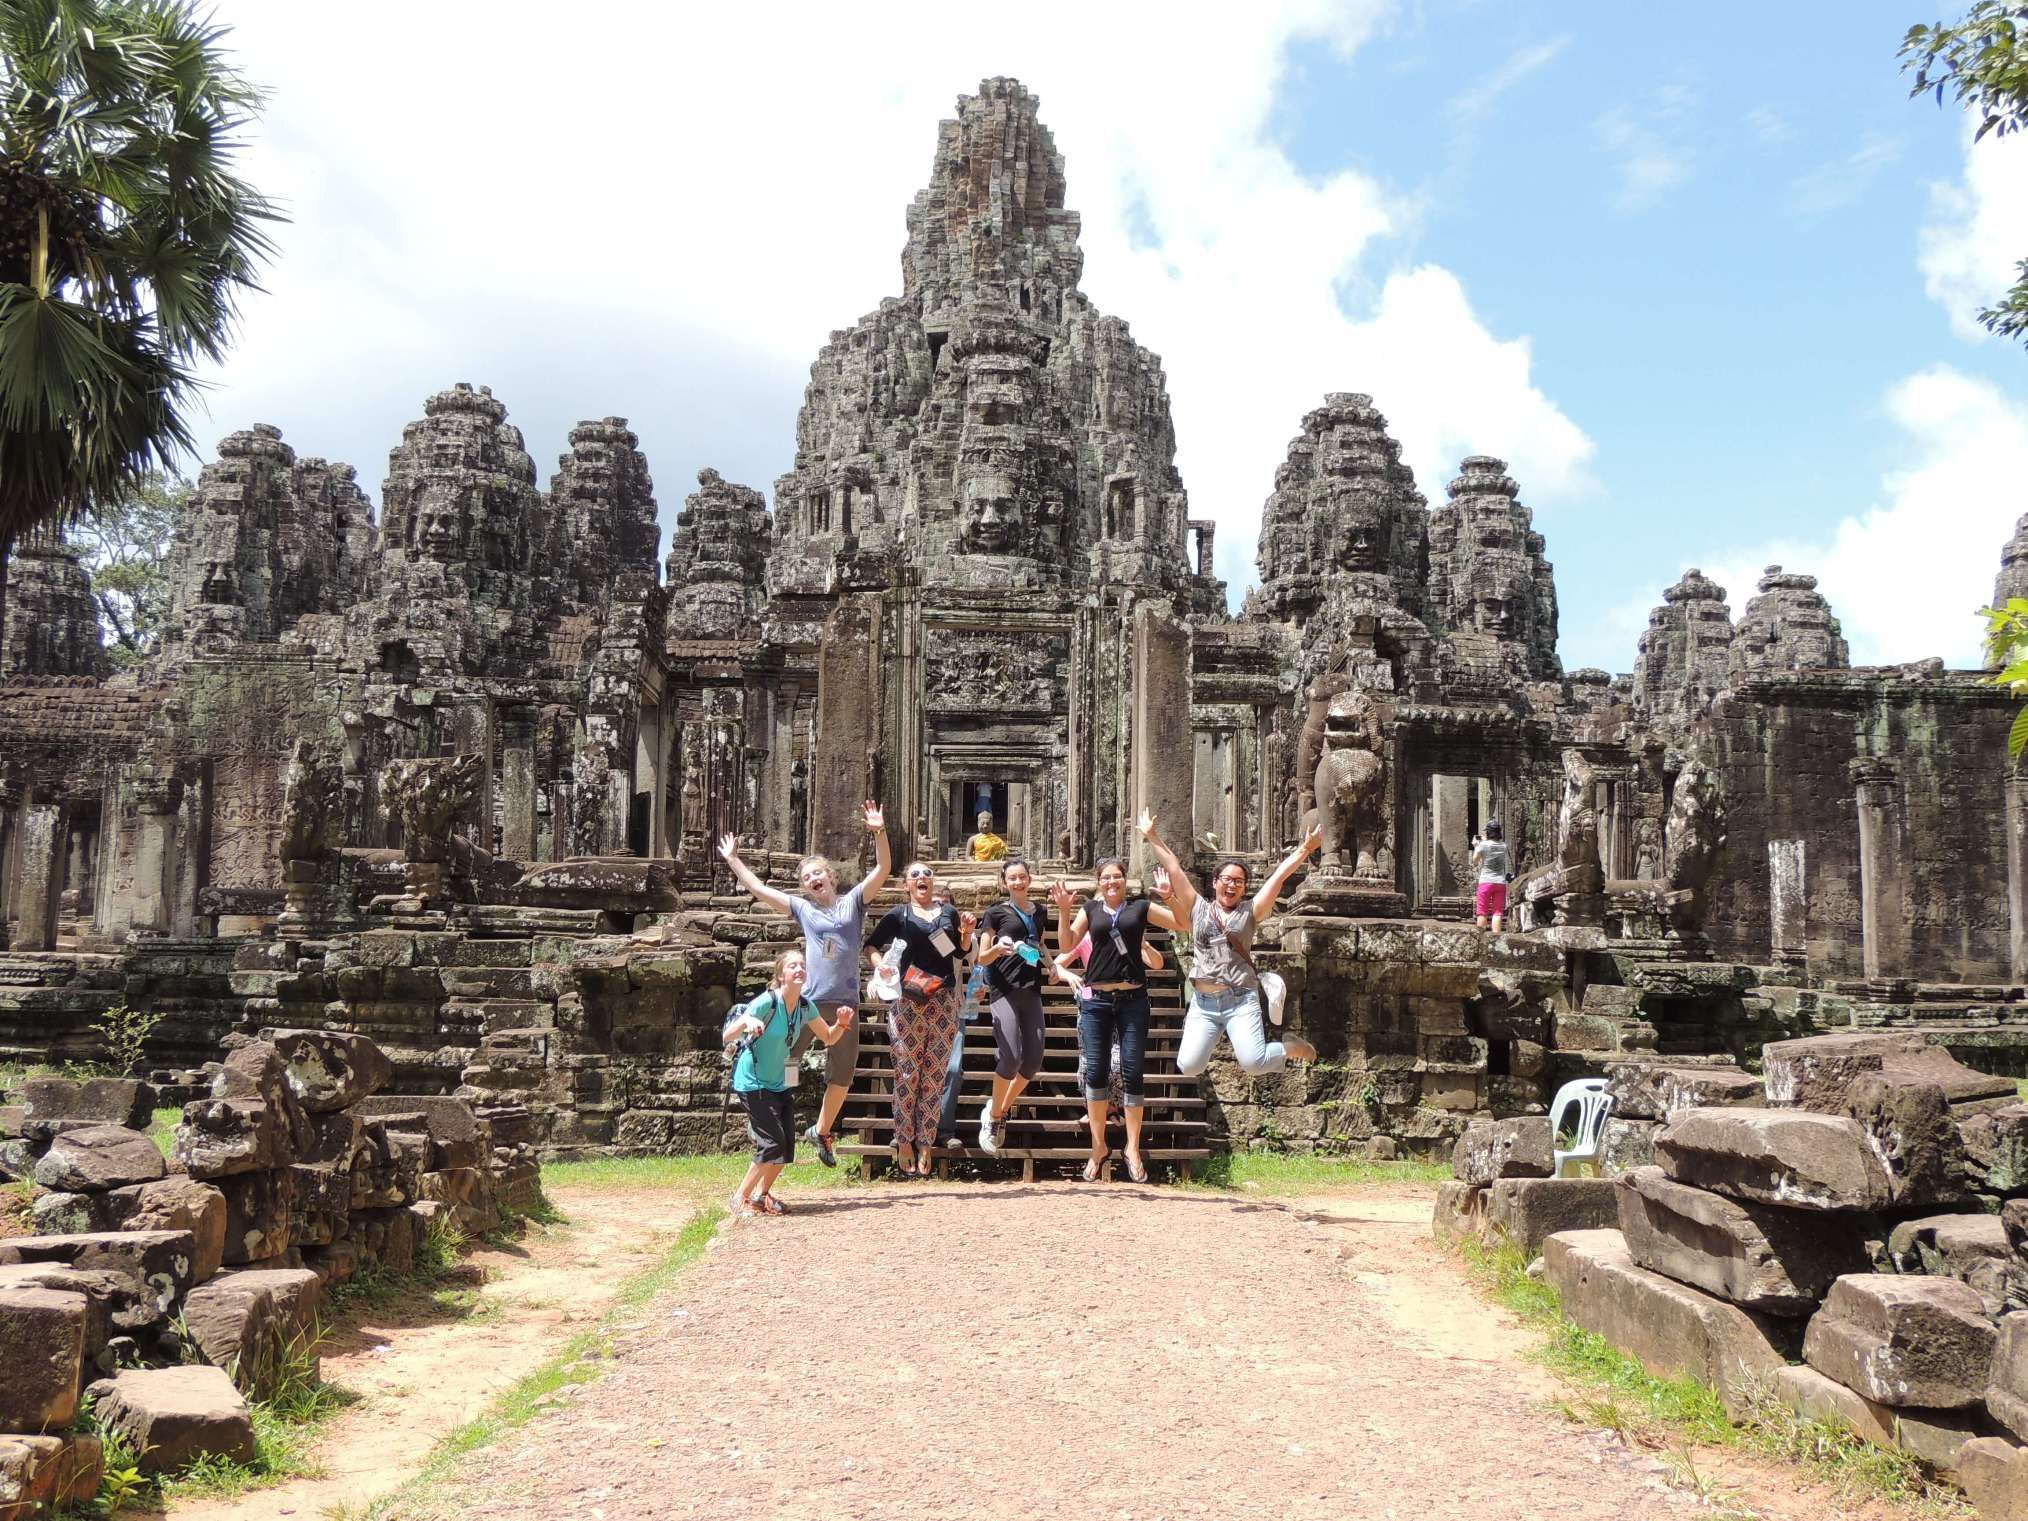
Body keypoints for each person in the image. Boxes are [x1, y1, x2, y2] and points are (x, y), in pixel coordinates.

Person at [717, 801, 891, 1167]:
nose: (814, 880)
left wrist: (878, 831)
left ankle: (822, 1131)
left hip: (844, 1003)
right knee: (784, 1058)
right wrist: (733, 860)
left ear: (831, 878)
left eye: (818, 874)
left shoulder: (853, 903)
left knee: (843, 1072)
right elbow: (761, 890)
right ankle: (764, 1114)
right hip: (808, 1002)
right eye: (807, 878)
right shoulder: (804, 910)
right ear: (806, 887)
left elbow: (883, 868)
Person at [1138, 809, 1321, 1089]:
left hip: (1239, 999)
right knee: (1188, 1066)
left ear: (1245, 888)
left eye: (1238, 881)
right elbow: (1174, 868)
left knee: (1254, 1063)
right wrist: (1152, 836)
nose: (1232, 884)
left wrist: (1304, 850)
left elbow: (1277, 880)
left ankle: (1289, 1047)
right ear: (1215, 883)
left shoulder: (1250, 912)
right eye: (1226, 879)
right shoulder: (1198, 908)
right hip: (1203, 1003)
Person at [1049, 854, 1182, 1184]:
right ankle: (1099, 1147)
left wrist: (1169, 896)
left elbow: (1182, 923)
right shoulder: (1090, 911)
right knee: (1095, 1072)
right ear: (1098, 882)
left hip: (1133, 999)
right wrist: (1065, 910)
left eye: (1117, 877)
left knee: (1133, 1071)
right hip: (1097, 1001)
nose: (1111, 882)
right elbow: (1066, 943)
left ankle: (1132, 1148)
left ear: (1125, 880)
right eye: (1105, 878)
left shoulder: (1139, 908)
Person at [722, 948, 854, 1217]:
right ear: (781, 975)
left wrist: (841, 1024)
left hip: (778, 1084)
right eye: (793, 965)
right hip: (753, 1082)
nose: (799, 969)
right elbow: (727, 1035)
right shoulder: (766, 1002)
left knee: (786, 1146)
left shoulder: (806, 1006)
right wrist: (747, 1020)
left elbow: (828, 1037)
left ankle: (762, 1196)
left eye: (802, 965)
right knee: (771, 1143)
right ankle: (739, 1198)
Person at [868, 862, 976, 1177]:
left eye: (926, 873)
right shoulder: (899, 915)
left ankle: (926, 1139)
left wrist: (966, 935)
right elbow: (871, 944)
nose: (921, 878)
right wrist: (881, 966)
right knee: (907, 1071)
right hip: (908, 999)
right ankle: (904, 1139)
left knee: (935, 1073)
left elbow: (955, 953)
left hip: (942, 998)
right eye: (914, 874)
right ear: (906, 885)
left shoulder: (947, 914)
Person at [971, 857, 1052, 1154]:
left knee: (1032, 1061)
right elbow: (981, 957)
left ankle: (999, 1109)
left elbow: (1040, 944)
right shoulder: (995, 913)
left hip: (1031, 989)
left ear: (1029, 878)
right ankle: (993, 1119)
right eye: (1012, 878)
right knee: (1011, 1056)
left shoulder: (1040, 911)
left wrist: (1053, 965)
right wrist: (996, 949)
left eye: (1022, 877)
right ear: (1004, 882)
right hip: (1003, 989)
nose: (1018, 882)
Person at [1471, 822, 1511, 932]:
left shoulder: (1483, 845)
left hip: (1486, 882)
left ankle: (1480, 939)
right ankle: (1496, 939)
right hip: (1500, 883)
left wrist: (1476, 846)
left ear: (1488, 832)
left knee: (1482, 912)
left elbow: (1474, 861)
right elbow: (1493, 847)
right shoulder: (1504, 846)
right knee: (1497, 913)